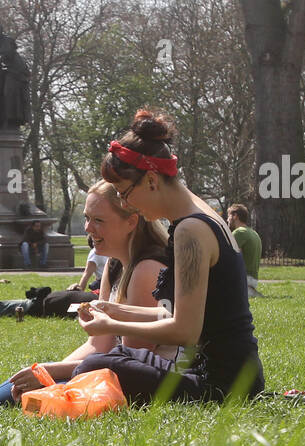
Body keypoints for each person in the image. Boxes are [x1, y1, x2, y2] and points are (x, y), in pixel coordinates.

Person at [74, 108, 264, 404]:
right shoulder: (198, 215)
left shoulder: (190, 230)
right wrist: (113, 310)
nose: (127, 204)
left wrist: (110, 326)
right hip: (233, 374)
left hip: (221, 383)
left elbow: (185, 330)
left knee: (93, 366)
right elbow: (178, 314)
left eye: (125, 193)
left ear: (151, 180)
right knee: (118, 355)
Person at [0, 180, 177, 406]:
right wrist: (45, 373)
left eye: (98, 220)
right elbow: (98, 345)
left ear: (131, 222)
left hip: (147, 382)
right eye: (87, 217)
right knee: (30, 388)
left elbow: (126, 360)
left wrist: (47, 373)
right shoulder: (115, 264)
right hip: (115, 373)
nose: (88, 228)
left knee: (44, 396)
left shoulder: (147, 269)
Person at [228, 204, 262, 298]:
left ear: (235, 216)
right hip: (253, 279)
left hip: (243, 279)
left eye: (229, 216)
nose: (227, 219)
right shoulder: (253, 233)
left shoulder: (239, 232)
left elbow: (228, 257)